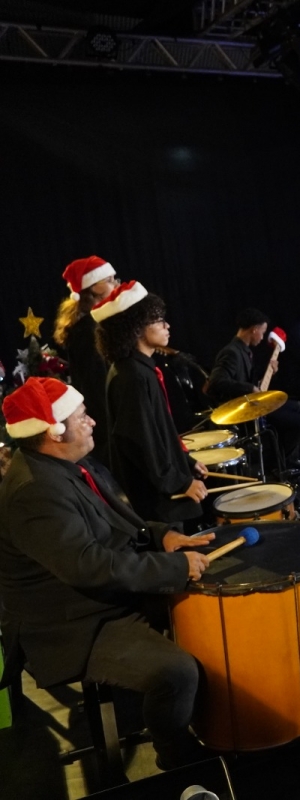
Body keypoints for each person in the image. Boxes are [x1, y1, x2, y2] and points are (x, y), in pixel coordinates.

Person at [0, 378, 214, 769]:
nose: (93, 421)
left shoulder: (70, 463)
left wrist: (162, 536)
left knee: (208, 614)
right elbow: (89, 565)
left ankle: (211, 717)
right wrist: (172, 568)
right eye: (82, 416)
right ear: (54, 431)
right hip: (69, 623)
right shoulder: (34, 490)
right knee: (177, 672)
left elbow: (118, 523)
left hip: (99, 597)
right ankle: (177, 757)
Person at [92, 282, 208, 523]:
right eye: (158, 320)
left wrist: (185, 462)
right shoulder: (131, 376)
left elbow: (158, 431)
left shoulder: (139, 368)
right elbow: (140, 441)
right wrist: (179, 481)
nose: (167, 325)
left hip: (161, 487)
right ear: (136, 328)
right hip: (155, 499)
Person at [206, 308, 300, 470]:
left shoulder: (244, 350)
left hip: (249, 404)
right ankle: (278, 465)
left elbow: (250, 382)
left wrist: (268, 374)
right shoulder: (231, 352)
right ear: (254, 329)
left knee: (295, 406)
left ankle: (286, 460)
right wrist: (250, 388)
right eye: (262, 332)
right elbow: (216, 382)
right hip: (241, 411)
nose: (262, 337)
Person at [53, 256, 121, 466]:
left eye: (115, 278)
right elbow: (96, 388)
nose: (116, 284)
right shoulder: (87, 332)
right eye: (109, 280)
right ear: (92, 289)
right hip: (108, 432)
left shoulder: (95, 325)